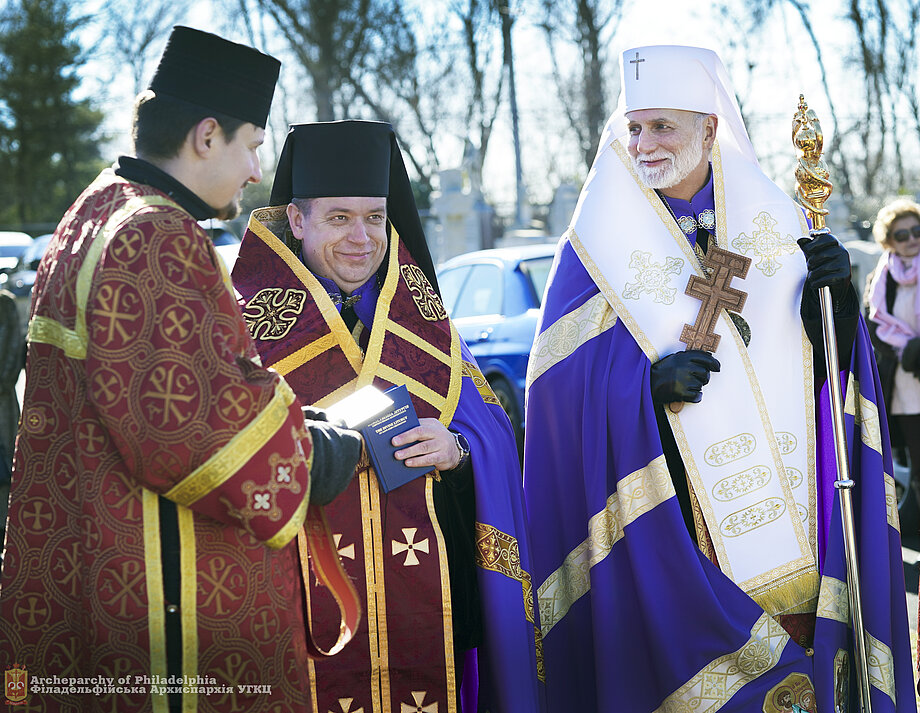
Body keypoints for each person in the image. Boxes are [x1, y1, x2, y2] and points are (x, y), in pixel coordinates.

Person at [523, 45, 914, 712]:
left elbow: (827, 376)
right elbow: (556, 396)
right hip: (674, 527)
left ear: (709, 129)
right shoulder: (595, 244)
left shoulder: (776, 222)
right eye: (634, 127)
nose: (643, 144)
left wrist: (836, 308)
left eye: (662, 126)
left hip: (797, 525)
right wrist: (644, 391)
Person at [0, 27, 362, 713]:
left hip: (92, 570)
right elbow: (193, 433)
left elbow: (167, 388)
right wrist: (326, 449)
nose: (255, 170)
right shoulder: (154, 233)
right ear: (206, 136)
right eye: (252, 144)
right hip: (162, 619)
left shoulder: (94, 210)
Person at [231, 120, 544, 713]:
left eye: (374, 217)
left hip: (430, 612)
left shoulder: (425, 325)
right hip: (299, 617)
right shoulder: (242, 328)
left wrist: (459, 451)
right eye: (339, 218)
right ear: (296, 220)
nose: (361, 237)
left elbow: (493, 437)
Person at [867, 198, 920, 531]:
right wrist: (910, 350)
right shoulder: (881, 278)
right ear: (889, 240)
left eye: (917, 231)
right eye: (902, 234)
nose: (911, 239)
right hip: (905, 382)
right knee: (916, 454)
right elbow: (875, 326)